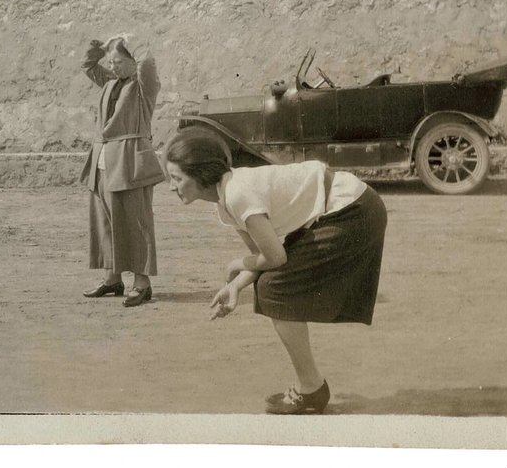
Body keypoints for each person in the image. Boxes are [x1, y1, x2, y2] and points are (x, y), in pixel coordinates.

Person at [163, 127, 387, 414]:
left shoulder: (237, 194)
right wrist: (235, 286)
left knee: (275, 288)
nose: (172, 186)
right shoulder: (226, 201)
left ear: (201, 174)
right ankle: (313, 387)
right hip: (341, 209)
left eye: (177, 178)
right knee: (271, 285)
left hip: (353, 210)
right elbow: (262, 256)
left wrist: (235, 265)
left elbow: (275, 257)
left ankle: (311, 389)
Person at [80, 34, 165, 307]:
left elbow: (148, 63)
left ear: (132, 62)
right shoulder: (110, 84)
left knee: (136, 223)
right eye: (111, 62)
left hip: (130, 164)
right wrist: (100, 48)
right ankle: (112, 279)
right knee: (105, 223)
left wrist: (131, 41)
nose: (113, 67)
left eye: (118, 61)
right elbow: (89, 67)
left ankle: (142, 284)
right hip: (103, 163)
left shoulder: (143, 88)